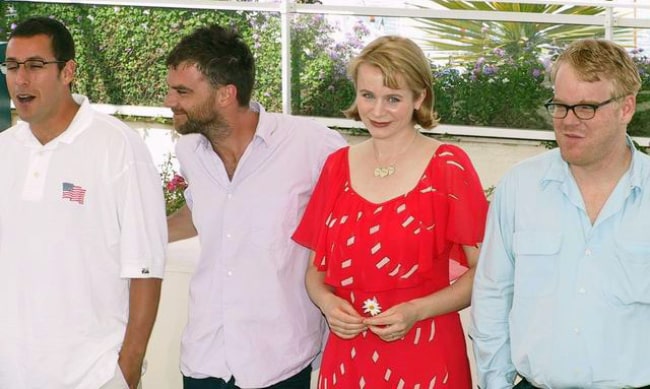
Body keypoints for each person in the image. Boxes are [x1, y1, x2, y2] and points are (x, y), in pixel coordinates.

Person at [292, 35, 488, 388]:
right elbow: (315, 271)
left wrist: (417, 310)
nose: (377, 111)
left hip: (427, 355)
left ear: (419, 97)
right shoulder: (337, 166)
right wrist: (326, 303)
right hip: (347, 360)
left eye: (393, 98)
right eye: (368, 95)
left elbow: (485, 273)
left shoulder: (449, 167)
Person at [164, 24, 346, 389]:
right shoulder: (189, 151)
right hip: (204, 357)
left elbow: (351, 218)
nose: (170, 101)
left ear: (225, 94)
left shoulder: (312, 145)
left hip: (279, 358)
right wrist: (128, 232)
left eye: (182, 91)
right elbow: (199, 215)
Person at [470, 38, 650, 389]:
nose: (568, 121)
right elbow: (492, 294)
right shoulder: (520, 188)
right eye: (560, 106)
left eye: (586, 108)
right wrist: (495, 383)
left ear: (626, 108)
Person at [0, 17, 167, 389]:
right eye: (12, 66)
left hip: (91, 377)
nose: (20, 79)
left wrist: (125, 372)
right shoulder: (4, 151)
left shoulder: (119, 147)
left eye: (35, 66)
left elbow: (145, 267)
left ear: (68, 71)